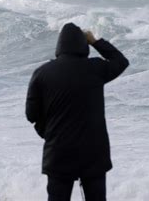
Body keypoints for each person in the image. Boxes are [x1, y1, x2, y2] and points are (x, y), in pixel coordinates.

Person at [25, 23, 129, 201]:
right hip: (94, 153)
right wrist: (95, 41)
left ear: (60, 45)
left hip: (58, 152)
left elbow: (31, 115)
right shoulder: (95, 69)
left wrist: (49, 134)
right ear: (83, 45)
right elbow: (121, 61)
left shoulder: (42, 73)